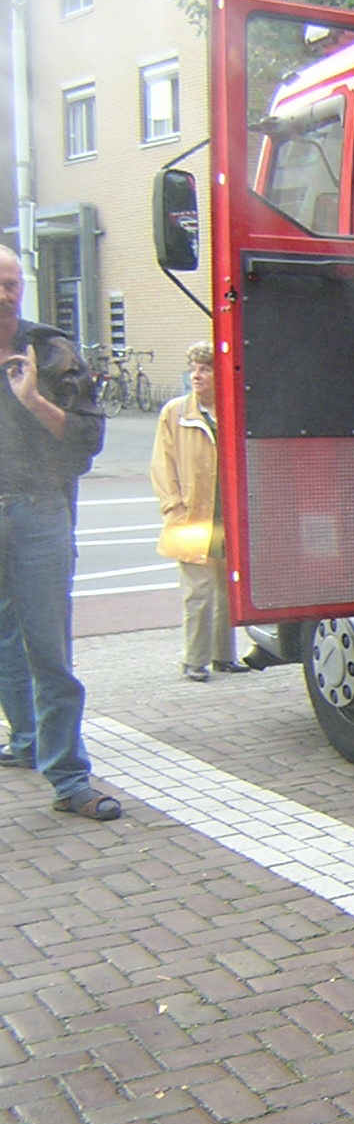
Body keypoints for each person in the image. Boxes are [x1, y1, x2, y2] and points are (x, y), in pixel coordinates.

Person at [0, 244, 117, 820]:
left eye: (12, 283)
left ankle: (69, 779)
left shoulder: (50, 352)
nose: (5, 294)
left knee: (49, 649)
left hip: (37, 511)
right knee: (4, 640)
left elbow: (88, 441)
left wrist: (33, 401)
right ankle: (26, 740)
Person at [151, 340, 249, 682]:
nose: (197, 375)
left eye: (205, 369)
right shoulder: (176, 413)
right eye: (193, 369)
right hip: (191, 516)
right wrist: (172, 505)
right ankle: (194, 660)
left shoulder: (231, 411)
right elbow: (162, 464)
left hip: (226, 517)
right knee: (199, 592)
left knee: (225, 589)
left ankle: (224, 656)